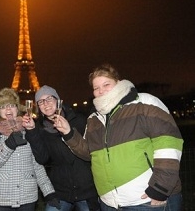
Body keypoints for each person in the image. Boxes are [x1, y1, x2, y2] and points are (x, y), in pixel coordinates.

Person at [54, 64, 183, 211]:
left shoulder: (143, 103)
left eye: (106, 84)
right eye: (96, 88)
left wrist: (160, 188)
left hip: (146, 200)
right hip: (109, 203)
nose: (101, 90)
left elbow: (169, 143)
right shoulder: (94, 118)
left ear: (118, 82)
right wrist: (69, 133)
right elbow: (89, 153)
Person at [22, 85, 100, 211]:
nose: (46, 104)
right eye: (41, 102)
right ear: (38, 107)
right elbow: (42, 158)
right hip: (60, 190)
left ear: (58, 101)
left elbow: (91, 151)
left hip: (86, 189)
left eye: (49, 99)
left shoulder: (78, 120)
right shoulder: (40, 129)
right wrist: (31, 131)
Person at [0, 88, 59, 211]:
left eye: (12, 105)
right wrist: (8, 145)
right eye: (3, 106)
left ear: (17, 108)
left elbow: (37, 166)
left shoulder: (28, 130)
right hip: (0, 200)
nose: (8, 109)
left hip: (27, 198)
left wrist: (49, 192)